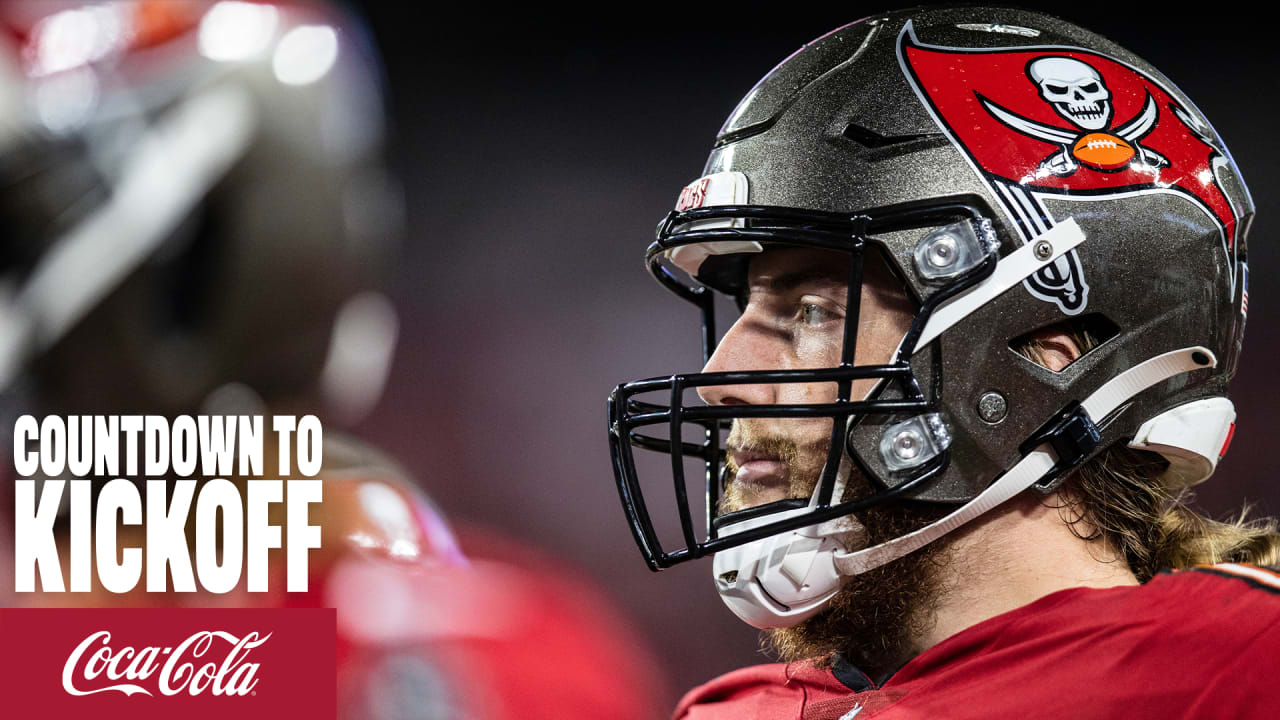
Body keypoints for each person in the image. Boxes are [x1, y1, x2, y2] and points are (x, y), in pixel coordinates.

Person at [607, 6, 1280, 718]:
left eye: (810, 311)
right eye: (745, 309)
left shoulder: (1240, 664)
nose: (720, 377)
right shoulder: (730, 712)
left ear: (1044, 358)